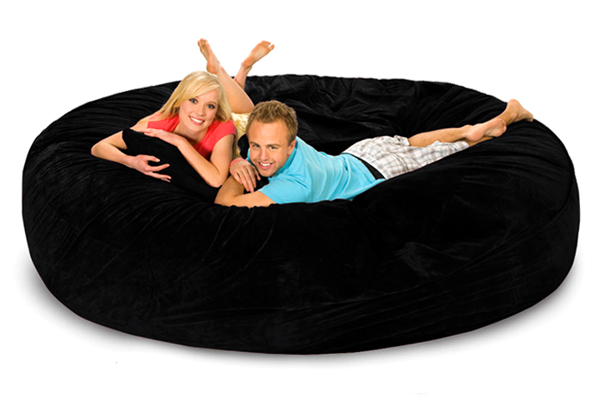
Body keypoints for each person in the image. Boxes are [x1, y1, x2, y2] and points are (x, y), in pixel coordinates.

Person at [214, 99, 534, 208]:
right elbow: (252, 119)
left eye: (272, 147)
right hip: (361, 151)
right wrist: (242, 157)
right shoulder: (288, 138)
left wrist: (234, 169)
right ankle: (467, 128)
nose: (261, 156)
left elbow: (224, 206)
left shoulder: (294, 187)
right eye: (254, 145)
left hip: (382, 168)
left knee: (448, 154)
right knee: (410, 141)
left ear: (292, 145)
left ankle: (498, 123)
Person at [91, 39, 274, 188]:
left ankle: (236, 68)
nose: (200, 112)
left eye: (210, 106)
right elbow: (99, 146)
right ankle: (234, 72)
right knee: (227, 97)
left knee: (248, 112)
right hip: (215, 113)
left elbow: (216, 179)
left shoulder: (222, 127)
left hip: (238, 123)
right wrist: (129, 161)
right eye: (193, 100)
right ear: (179, 102)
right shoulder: (157, 125)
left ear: (216, 111)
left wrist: (180, 142)